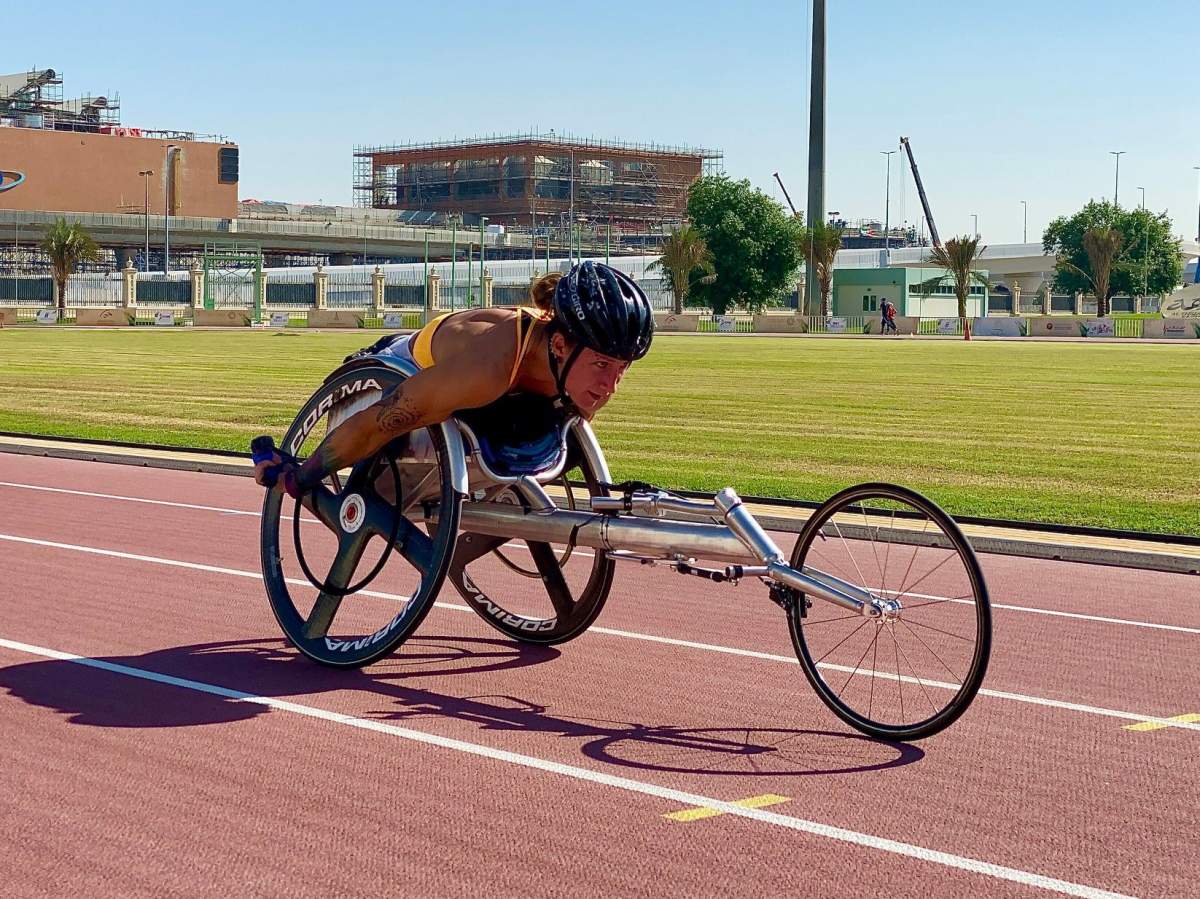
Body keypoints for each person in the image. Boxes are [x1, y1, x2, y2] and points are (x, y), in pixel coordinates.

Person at [254, 261, 654, 496]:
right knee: (412, 428)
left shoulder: (571, 372)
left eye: (622, 370)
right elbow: (376, 424)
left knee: (553, 440)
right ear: (562, 345)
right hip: (377, 385)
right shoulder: (489, 365)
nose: (610, 386)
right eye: (602, 365)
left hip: (473, 397)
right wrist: (302, 476)